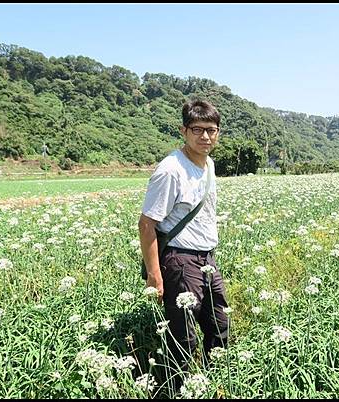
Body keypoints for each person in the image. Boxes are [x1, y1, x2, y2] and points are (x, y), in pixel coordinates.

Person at [138, 99, 229, 376]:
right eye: (197, 129)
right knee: (184, 337)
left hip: (207, 259)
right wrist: (154, 275)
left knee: (220, 324)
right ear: (184, 130)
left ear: (218, 133)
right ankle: (177, 389)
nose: (205, 136)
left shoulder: (208, 164)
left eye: (211, 130)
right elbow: (146, 224)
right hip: (180, 261)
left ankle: (217, 385)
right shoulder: (170, 170)